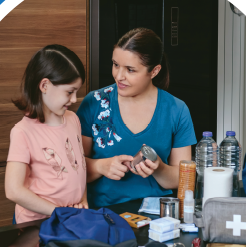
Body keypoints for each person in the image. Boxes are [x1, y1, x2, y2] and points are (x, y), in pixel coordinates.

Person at [78, 28, 197, 210]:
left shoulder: (176, 110)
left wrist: (159, 168)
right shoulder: (94, 103)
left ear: (154, 71)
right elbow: (71, 168)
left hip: (157, 218)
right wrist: (101, 166)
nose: (119, 76)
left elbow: (182, 180)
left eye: (130, 70)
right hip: (102, 215)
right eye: (115, 64)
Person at [5, 45, 88, 224]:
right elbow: (13, 190)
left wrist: (83, 199)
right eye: (69, 92)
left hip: (69, 218)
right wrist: (57, 212)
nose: (74, 100)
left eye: (76, 92)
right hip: (38, 223)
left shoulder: (73, 119)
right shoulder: (22, 132)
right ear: (44, 85)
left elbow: (78, 167)